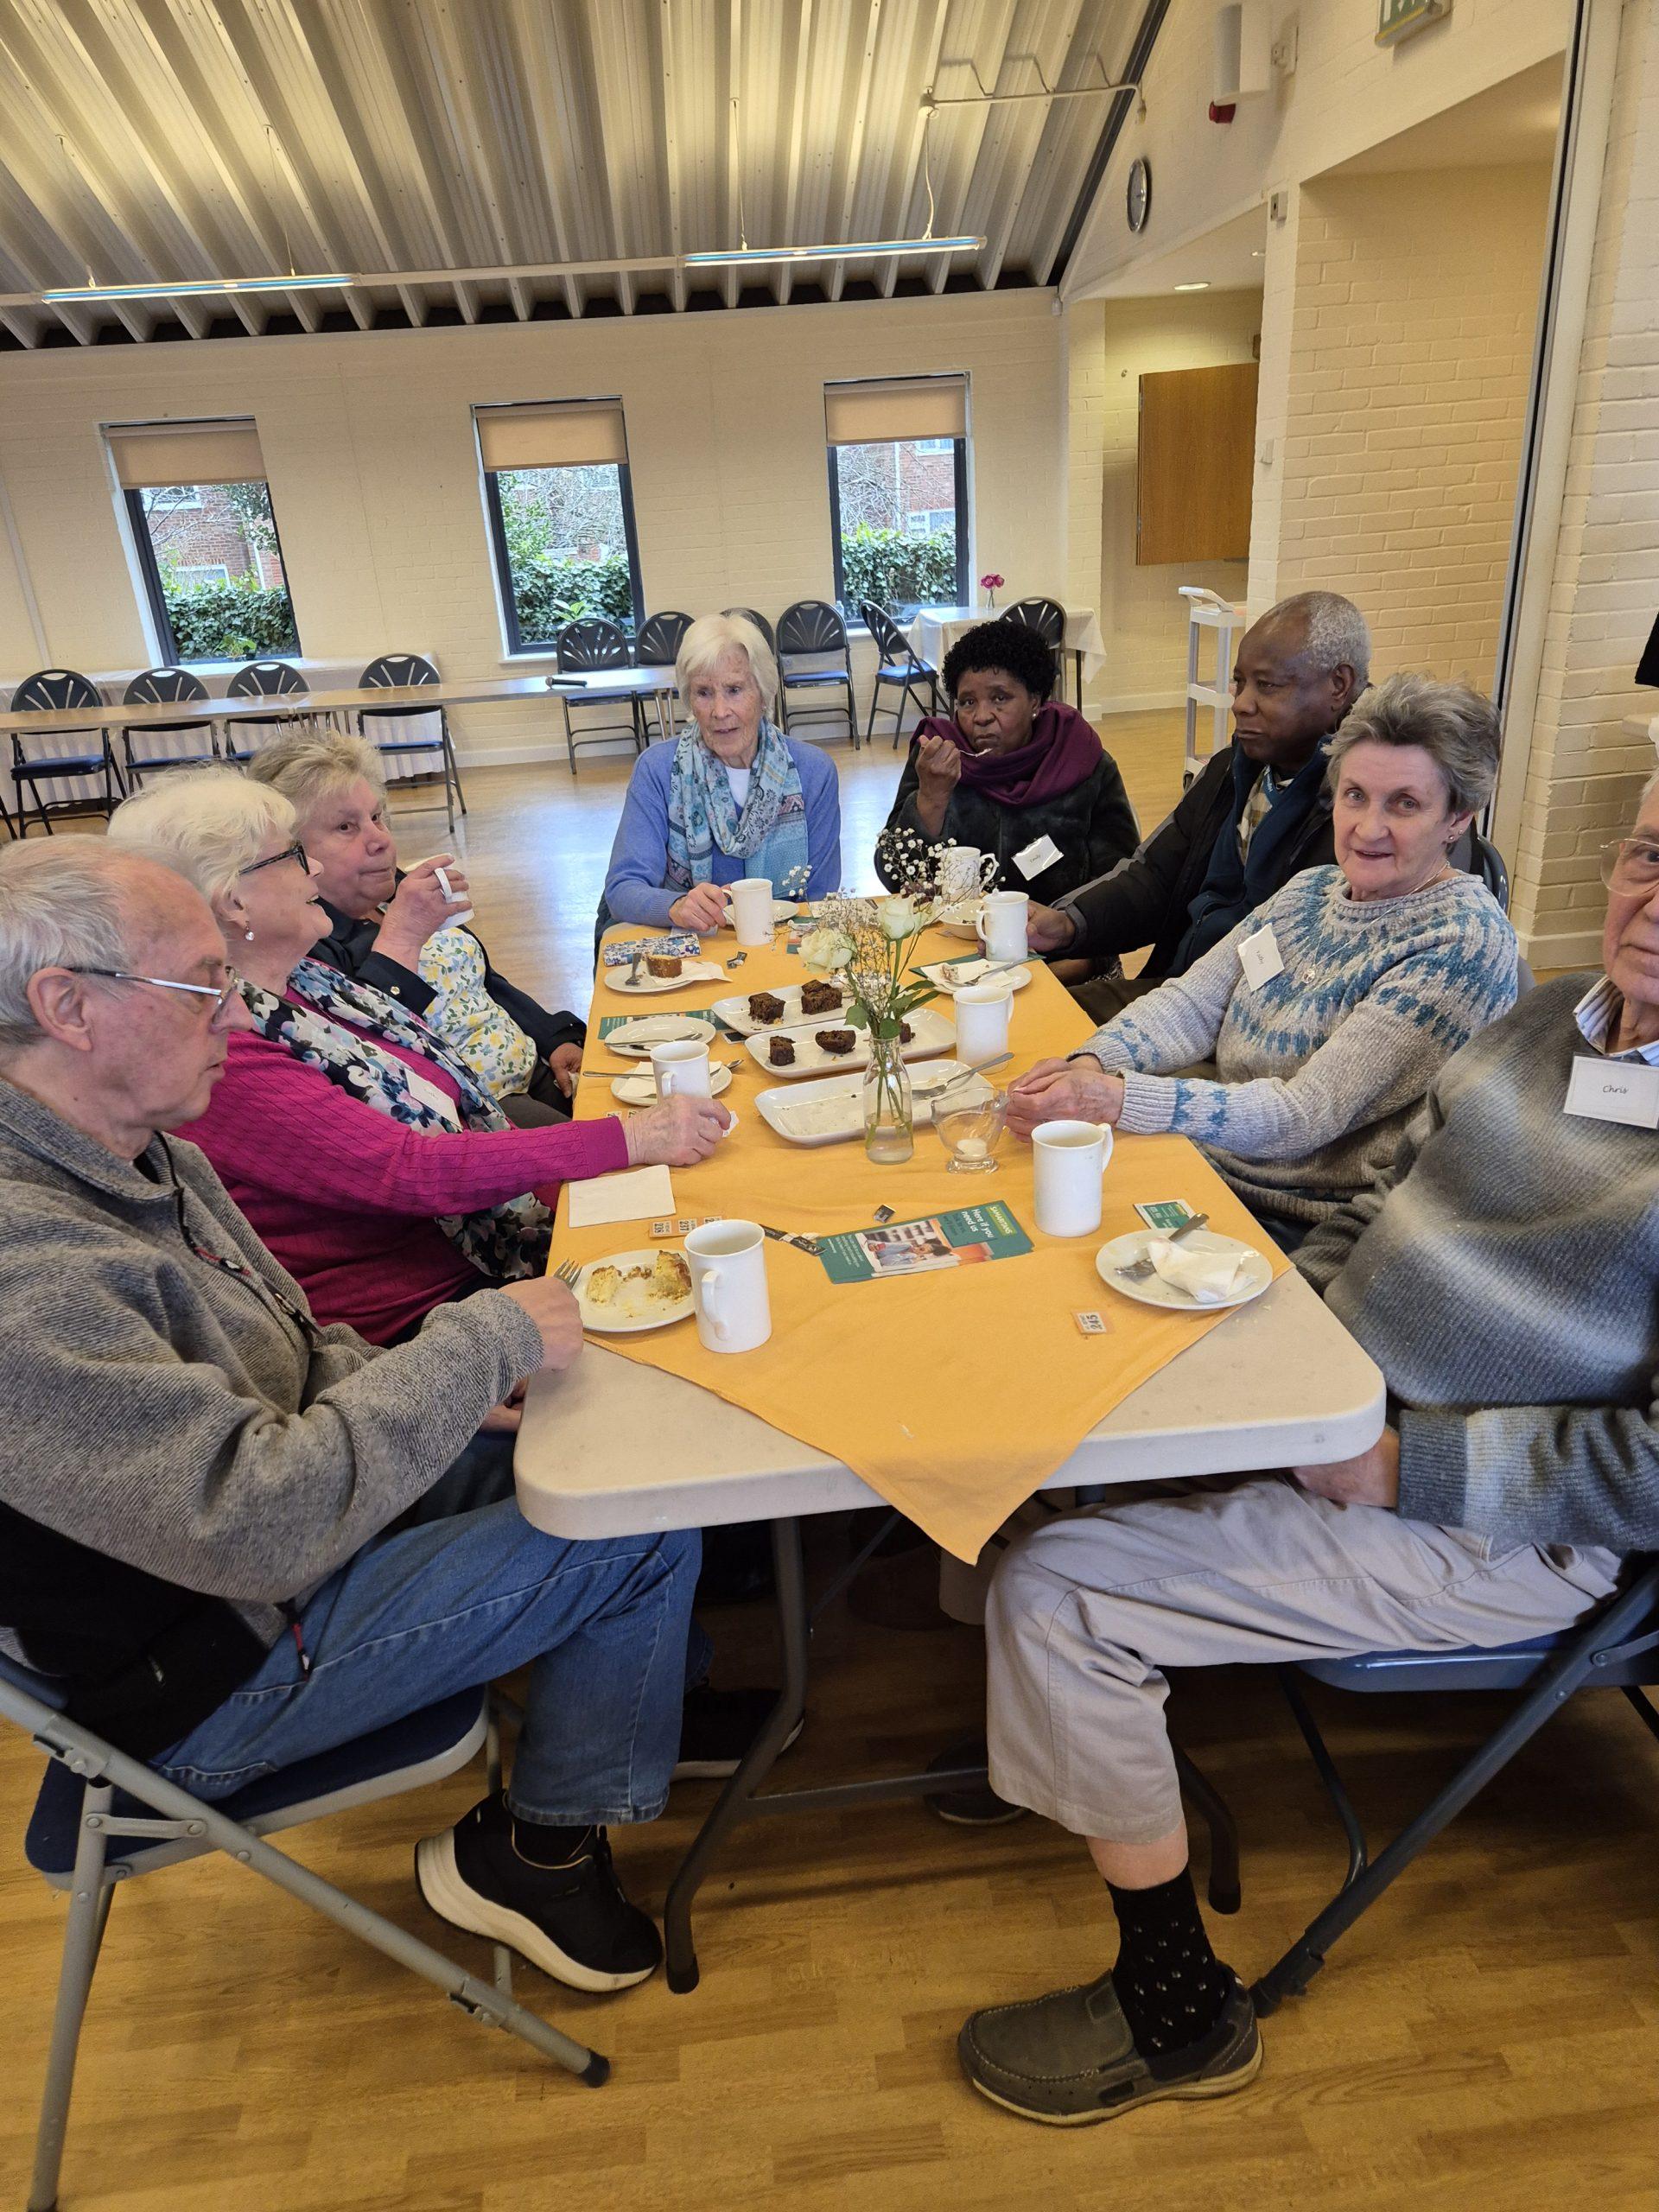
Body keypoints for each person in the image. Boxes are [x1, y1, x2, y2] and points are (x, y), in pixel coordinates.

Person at [957, 766, 1659, 2126]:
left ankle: (1180, 2016)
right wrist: (1290, 1355)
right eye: (1649, 855)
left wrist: (1405, 1466)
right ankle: (1039, 1740)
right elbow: (1382, 1194)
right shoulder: (1549, 1016)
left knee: (1057, 1592)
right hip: (1337, 1402)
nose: (1656, 900)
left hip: (1490, 1522)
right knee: (1038, 1422)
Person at [0, 837, 699, 1993]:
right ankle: (538, 1854)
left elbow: (294, 1343)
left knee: (611, 1442)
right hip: (211, 1667)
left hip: (289, 1547)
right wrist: (481, 1341)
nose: (237, 1014)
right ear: (67, 1007)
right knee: (632, 1524)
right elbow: (261, 1522)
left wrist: (446, 1384)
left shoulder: (139, 1146)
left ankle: (650, 1696)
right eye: (202, 984)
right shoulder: (29, 1272)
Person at [108, 770, 728, 1346]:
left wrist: (595, 1168)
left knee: (709, 1205)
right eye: (293, 855)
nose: (313, 867)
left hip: (489, 1248)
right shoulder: (227, 1049)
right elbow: (410, 1170)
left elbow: (449, 1100)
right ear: (233, 902)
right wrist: (623, 1140)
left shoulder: (305, 984)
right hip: (429, 1326)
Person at [1005, 675, 1517, 1244]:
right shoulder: (1311, 892)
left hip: (1303, 1217)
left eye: (1405, 804)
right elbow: (1192, 1004)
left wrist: (1117, 1099)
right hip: (1213, 1156)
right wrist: (1095, 1063)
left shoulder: (1460, 943)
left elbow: (1303, 1115)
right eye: (1355, 795)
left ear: (1458, 816)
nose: (1368, 828)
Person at [1026, 592, 1371, 1020]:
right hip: (1180, 989)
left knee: (1039, 1025)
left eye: (1267, 685)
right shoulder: (1231, 769)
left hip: (1251, 1023)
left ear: (1338, 685)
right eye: (1239, 682)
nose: (1241, 703)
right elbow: (1155, 876)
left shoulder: (1364, 812)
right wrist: (1068, 924)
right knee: (1023, 1015)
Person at [247, 728, 582, 1127]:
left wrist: (552, 1037)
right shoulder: (306, 942)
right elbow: (369, 1052)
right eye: (346, 827)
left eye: (376, 817)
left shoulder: (395, 891)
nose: (380, 840)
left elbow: (481, 981)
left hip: (534, 1068)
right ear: (292, 852)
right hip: (474, 1109)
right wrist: (402, 936)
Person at [601, 612, 842, 933]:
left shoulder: (815, 772)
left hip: (783, 942)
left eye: (734, 690)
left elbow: (821, 900)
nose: (720, 711)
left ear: (763, 693)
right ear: (689, 699)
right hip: (691, 944)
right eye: (703, 692)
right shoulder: (657, 770)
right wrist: (675, 906)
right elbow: (623, 887)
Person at [874, 619, 1137, 906]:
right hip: (955, 930)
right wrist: (931, 798)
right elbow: (894, 877)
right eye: (968, 702)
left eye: (1000, 698)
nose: (981, 717)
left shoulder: (1079, 761)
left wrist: (1069, 926)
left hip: (1059, 931)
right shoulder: (937, 762)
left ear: (1035, 702)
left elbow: (1120, 885)